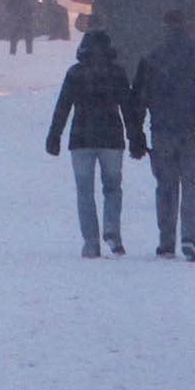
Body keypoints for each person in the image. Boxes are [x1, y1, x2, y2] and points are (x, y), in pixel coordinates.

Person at [130, 12, 195, 263]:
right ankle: (190, 238)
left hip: (164, 129)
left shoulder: (153, 58)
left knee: (166, 186)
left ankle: (166, 241)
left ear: (165, 28)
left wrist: (136, 134)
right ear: (187, 26)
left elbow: (138, 100)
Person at [45, 28, 142, 257]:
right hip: (111, 137)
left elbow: (63, 106)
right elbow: (127, 108)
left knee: (84, 191)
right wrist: (135, 136)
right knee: (113, 188)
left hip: (81, 138)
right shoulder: (117, 73)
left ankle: (91, 242)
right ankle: (112, 231)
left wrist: (54, 135)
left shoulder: (75, 73)